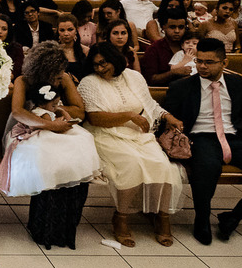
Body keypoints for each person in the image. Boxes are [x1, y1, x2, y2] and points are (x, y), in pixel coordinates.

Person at [161, 38, 242, 245]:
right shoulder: (181, 87)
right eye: (199, 61)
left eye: (209, 62)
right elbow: (166, 116)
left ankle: (234, 216)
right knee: (208, 167)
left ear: (225, 63)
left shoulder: (235, 83)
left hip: (233, 138)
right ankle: (202, 219)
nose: (202, 66)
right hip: (200, 137)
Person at [0, 41, 99, 250]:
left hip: (56, 124)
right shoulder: (24, 81)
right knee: (46, 153)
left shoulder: (64, 78)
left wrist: (58, 110)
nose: (60, 78)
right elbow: (18, 112)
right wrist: (48, 124)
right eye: (56, 74)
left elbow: (79, 110)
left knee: (81, 144)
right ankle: (44, 225)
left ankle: (66, 226)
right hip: (26, 128)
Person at [79, 42, 186, 247]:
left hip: (139, 134)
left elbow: (150, 105)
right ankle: (121, 216)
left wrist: (168, 116)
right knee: (132, 164)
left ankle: (162, 217)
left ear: (115, 58)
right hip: (106, 135)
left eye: (104, 63)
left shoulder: (134, 77)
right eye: (96, 65)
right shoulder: (88, 83)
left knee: (163, 166)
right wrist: (128, 116)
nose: (100, 69)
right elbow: (94, 119)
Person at [142, 9, 194, 86]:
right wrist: (173, 72)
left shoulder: (192, 46)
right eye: (172, 27)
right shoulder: (154, 49)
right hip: (165, 91)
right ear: (163, 27)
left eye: (181, 27)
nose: (177, 31)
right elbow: (150, 79)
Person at [56, 12, 89, 81]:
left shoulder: (85, 51)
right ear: (58, 31)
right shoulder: (53, 51)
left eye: (70, 29)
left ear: (76, 30)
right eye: (62, 30)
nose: (66, 34)